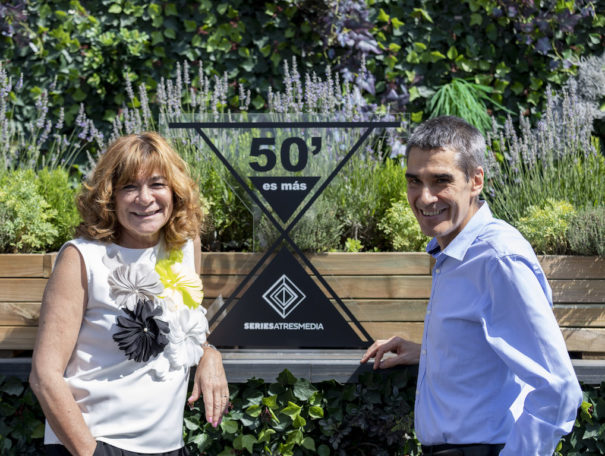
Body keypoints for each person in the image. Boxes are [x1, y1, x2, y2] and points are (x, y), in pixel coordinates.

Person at [361, 116, 582, 456]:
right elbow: (491, 344)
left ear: (476, 180)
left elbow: (559, 388)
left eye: (441, 181)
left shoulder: (496, 258)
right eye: (414, 181)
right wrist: (431, 353)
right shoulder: (455, 249)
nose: (424, 197)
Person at [30, 132, 229, 456]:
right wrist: (90, 452)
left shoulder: (184, 247)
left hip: (168, 447)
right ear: (110, 196)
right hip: (94, 445)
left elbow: (183, 321)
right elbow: (44, 375)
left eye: (156, 184)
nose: (145, 198)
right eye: (129, 187)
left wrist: (209, 353)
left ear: (175, 191)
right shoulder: (82, 258)